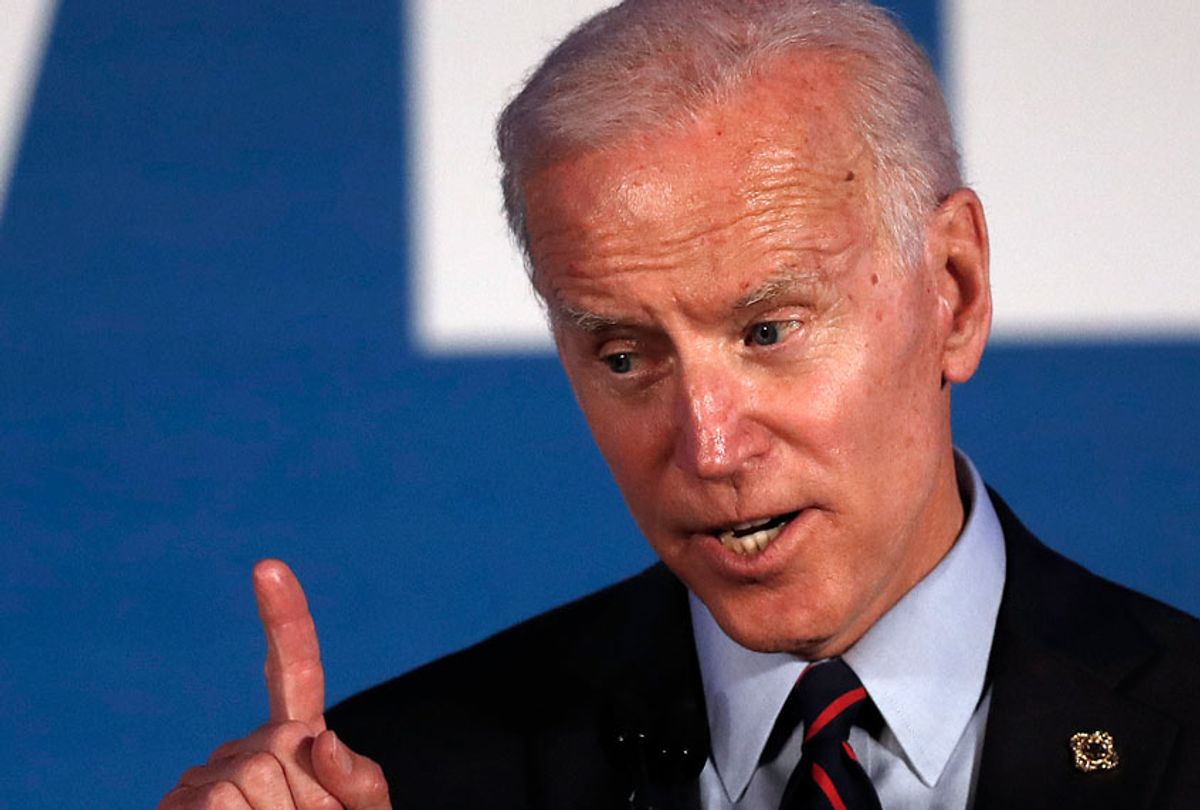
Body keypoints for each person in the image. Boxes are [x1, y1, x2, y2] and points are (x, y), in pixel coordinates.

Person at [159, 1, 1200, 808]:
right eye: (625, 356)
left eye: (768, 332)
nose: (708, 445)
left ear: (955, 291)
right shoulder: (406, 779)